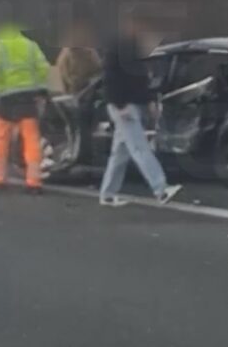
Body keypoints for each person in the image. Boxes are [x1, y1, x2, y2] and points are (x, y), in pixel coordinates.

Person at [98, 12, 182, 207]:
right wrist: (120, 105)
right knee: (140, 147)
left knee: (120, 153)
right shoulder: (117, 50)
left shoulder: (134, 49)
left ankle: (107, 194)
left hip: (130, 104)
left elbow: (141, 80)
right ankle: (161, 189)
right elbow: (110, 80)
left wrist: (150, 100)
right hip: (124, 106)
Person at [0, 22, 51, 194]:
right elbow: (43, 67)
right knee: (32, 140)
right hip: (28, 98)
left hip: (7, 99)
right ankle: (34, 182)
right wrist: (40, 87)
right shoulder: (30, 45)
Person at [54, 20, 102, 95]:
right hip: (78, 95)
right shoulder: (67, 56)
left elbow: (98, 70)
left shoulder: (88, 51)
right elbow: (70, 81)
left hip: (88, 92)